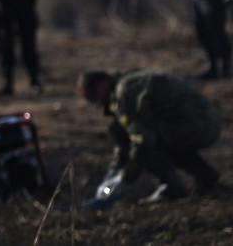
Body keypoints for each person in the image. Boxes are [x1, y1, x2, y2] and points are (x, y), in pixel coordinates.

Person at [78, 69, 221, 205]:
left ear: (102, 86)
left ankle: (171, 186)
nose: (96, 104)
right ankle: (205, 175)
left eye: (92, 98)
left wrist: (125, 178)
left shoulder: (126, 92)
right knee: (128, 131)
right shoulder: (125, 82)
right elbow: (122, 135)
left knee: (146, 141)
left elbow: (142, 140)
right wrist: (113, 171)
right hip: (201, 122)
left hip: (199, 125)